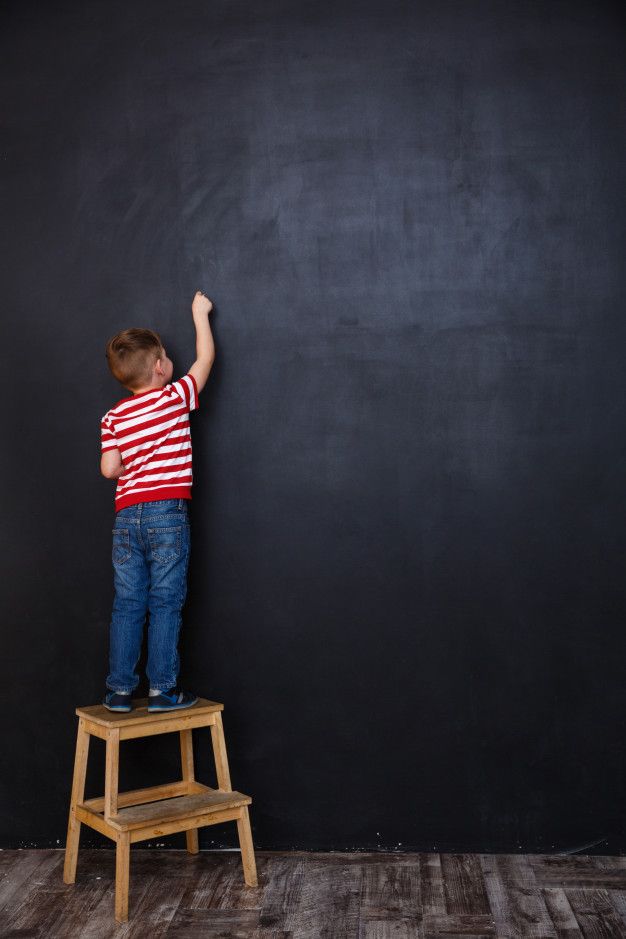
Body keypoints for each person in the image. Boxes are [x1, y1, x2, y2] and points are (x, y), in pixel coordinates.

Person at [99, 291, 214, 712]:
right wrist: (200, 315)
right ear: (161, 367)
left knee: (128, 602)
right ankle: (163, 689)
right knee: (165, 601)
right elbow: (204, 362)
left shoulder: (113, 418)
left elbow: (110, 469)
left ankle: (119, 690)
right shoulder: (174, 398)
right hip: (167, 512)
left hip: (127, 516)